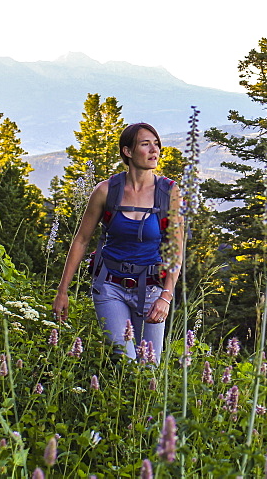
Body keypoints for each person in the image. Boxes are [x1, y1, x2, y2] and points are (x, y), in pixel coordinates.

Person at [52, 122, 182, 360]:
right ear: (128, 151)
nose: (155, 151)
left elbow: (176, 251)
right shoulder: (106, 191)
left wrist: (166, 296)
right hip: (109, 286)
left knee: (149, 368)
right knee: (126, 361)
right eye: (145, 145)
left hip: (152, 288)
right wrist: (63, 291)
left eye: (157, 144)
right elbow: (81, 240)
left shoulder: (169, 193)